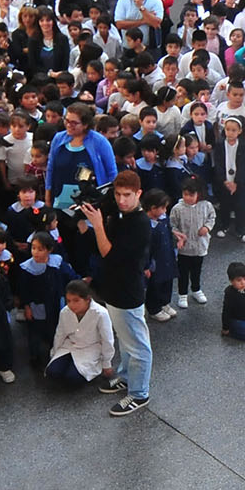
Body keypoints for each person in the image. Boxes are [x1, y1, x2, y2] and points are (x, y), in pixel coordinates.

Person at [81, 169, 153, 417]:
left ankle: (139, 393)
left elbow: (108, 254)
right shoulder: (121, 213)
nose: (121, 200)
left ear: (138, 194)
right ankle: (125, 377)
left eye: (127, 195)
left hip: (127, 293)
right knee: (125, 339)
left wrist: (98, 225)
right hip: (113, 289)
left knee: (137, 345)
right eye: (118, 194)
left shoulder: (140, 224)